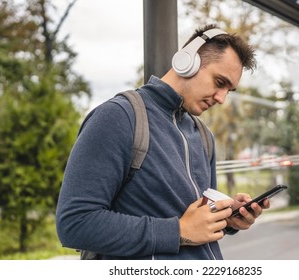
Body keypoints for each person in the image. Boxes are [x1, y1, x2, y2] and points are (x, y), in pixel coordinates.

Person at [56, 24, 270, 260]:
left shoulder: (204, 136)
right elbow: (75, 223)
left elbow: (196, 220)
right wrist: (177, 231)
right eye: (220, 82)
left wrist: (226, 218)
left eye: (229, 90)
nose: (221, 98)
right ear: (187, 62)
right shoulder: (118, 117)